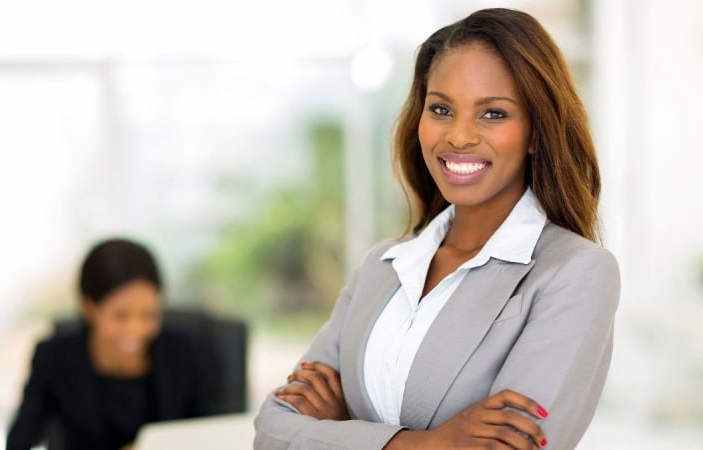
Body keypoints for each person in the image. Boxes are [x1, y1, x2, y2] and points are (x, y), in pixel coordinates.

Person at [254, 8, 619, 450]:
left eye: (493, 114)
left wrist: (340, 427)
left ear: (537, 133)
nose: (459, 137)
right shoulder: (383, 266)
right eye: (441, 109)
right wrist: (428, 444)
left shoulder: (575, 274)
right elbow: (272, 430)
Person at [7, 238, 216, 450]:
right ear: (89, 308)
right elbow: (18, 442)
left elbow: (213, 436)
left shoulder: (187, 351)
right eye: (121, 316)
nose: (135, 329)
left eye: (148, 314)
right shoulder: (54, 357)